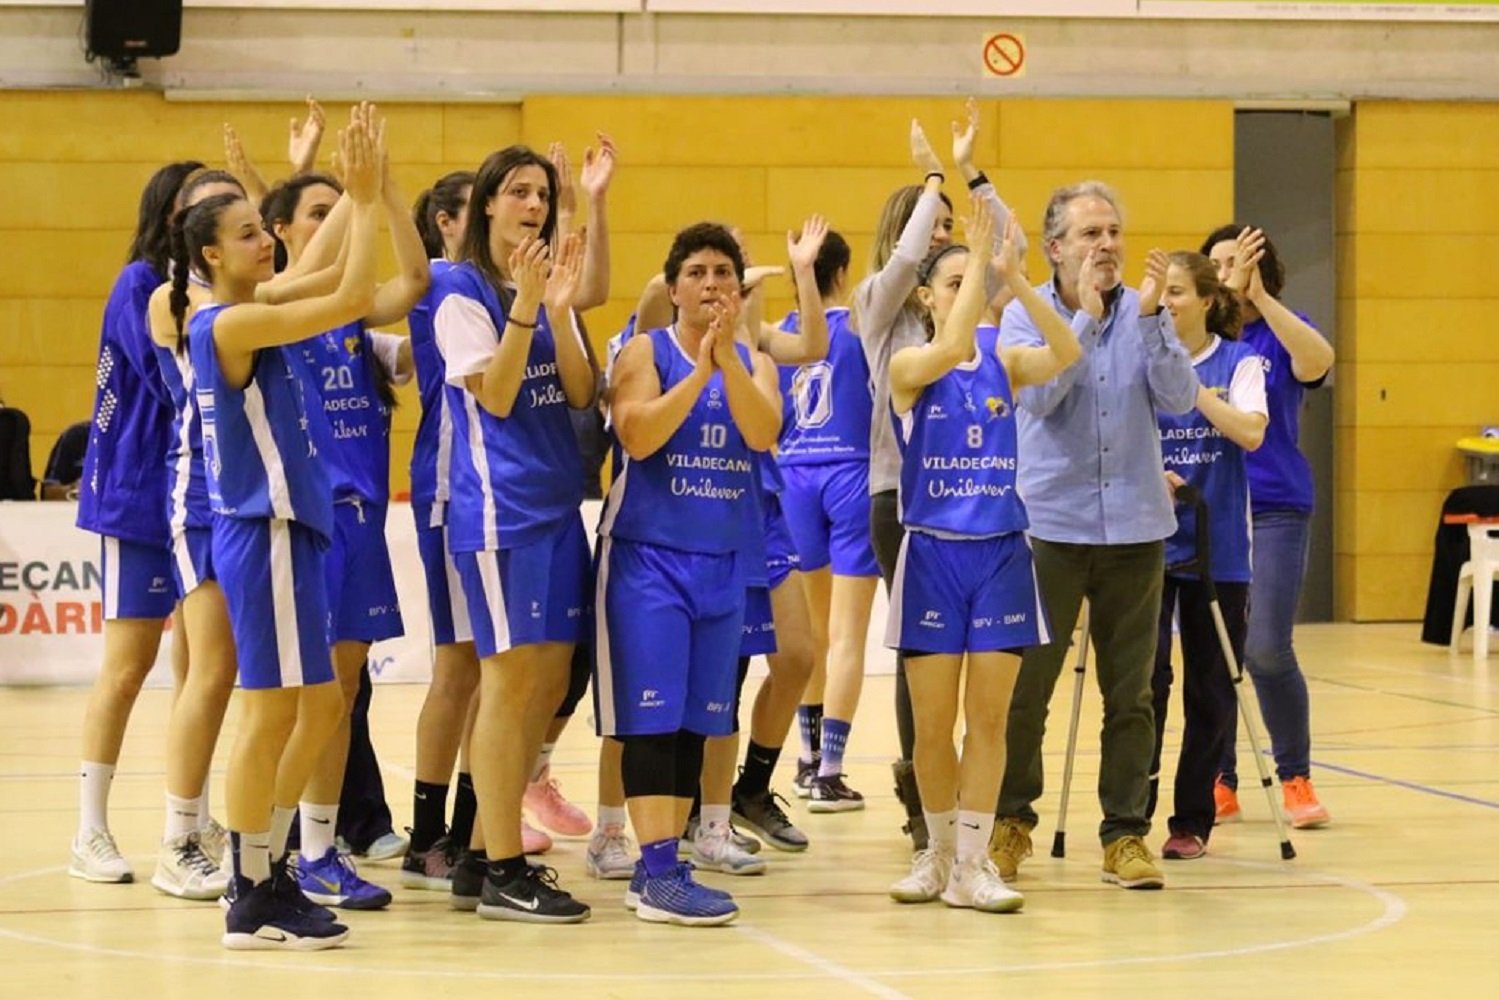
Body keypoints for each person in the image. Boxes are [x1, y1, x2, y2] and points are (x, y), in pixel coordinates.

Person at [178, 109, 384, 949]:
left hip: (290, 529)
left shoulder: (254, 300)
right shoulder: (225, 323)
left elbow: (325, 260)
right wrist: (365, 199)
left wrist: (350, 191)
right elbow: (352, 294)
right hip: (260, 530)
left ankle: (264, 866)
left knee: (322, 702)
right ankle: (250, 887)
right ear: (208, 258)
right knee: (267, 713)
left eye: (265, 227)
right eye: (246, 233)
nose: (265, 241)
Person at [991, 180, 1199, 891]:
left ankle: (1124, 834)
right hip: (1050, 525)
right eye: (1090, 234)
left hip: (1136, 528)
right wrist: (1080, 319)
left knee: (1132, 693)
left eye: (1113, 231)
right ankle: (1010, 822)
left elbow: (1177, 399)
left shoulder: (1146, 315)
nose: (1106, 244)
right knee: (1025, 690)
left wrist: (1147, 321)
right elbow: (1040, 393)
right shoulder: (1026, 316)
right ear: (1055, 249)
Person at [885, 203, 1079, 914]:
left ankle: (972, 864)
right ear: (925, 296)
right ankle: (936, 853)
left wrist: (1018, 281)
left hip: (1000, 556)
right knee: (932, 726)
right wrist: (974, 261)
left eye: (970, 279)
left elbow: (1065, 352)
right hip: (932, 554)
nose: (965, 288)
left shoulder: (1002, 359)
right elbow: (955, 336)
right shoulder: (911, 364)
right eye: (952, 279)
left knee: (989, 723)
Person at [261, 134, 429, 904]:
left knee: (343, 691)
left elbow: (416, 278)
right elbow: (303, 267)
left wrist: (385, 192)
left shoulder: (353, 320)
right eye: (316, 213)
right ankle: (265, 846)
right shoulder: (279, 306)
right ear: (285, 232)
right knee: (306, 696)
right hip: (308, 520)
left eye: (337, 209)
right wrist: (345, 193)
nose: (337, 219)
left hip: (363, 519)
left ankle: (320, 848)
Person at [431, 144, 596, 924]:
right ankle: (501, 867)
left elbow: (578, 389)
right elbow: (495, 400)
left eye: (542, 193)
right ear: (487, 204)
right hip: (502, 512)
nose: (533, 204)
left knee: (549, 679)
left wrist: (557, 307)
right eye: (518, 192)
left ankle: (475, 850)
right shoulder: (459, 291)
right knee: (506, 682)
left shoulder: (538, 285)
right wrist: (529, 304)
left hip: (560, 506)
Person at [599, 222, 781, 926]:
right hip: (648, 556)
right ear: (672, 287)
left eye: (723, 274)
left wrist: (727, 362)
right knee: (648, 718)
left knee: (693, 723)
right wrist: (700, 371)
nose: (711, 284)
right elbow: (637, 433)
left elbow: (763, 432)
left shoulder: (756, 361)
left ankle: (662, 868)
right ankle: (655, 871)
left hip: (723, 560)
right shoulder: (645, 351)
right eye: (698, 272)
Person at [855, 102, 1020, 845]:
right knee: (924, 659)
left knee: (976, 674)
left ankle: (969, 823)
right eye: (935, 228)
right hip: (905, 499)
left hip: (980, 511)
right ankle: (922, 810)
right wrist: (929, 176)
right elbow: (905, 265)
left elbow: (1013, 251)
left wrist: (969, 172)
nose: (948, 242)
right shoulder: (881, 309)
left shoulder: (975, 311)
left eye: (954, 231)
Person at [70, 160, 201, 884]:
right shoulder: (140, 284)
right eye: (194, 203)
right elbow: (170, 376)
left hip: (195, 498)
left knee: (202, 667)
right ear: (167, 213)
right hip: (138, 496)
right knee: (128, 668)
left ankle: (190, 816)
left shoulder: (206, 287)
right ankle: (89, 829)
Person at [1202, 225, 1335, 830]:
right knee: (1216, 650)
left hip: (1277, 505)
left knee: (1266, 648)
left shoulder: (1283, 330)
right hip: (1213, 508)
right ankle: (1220, 776)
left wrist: (1263, 297)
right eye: (1219, 265)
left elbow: (1319, 361)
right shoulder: (1202, 342)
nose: (1231, 271)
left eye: (1241, 261)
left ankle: (1296, 776)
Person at [1147, 251, 1267, 861]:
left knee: (1210, 691)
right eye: (1160, 294)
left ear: (1205, 300)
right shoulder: (1143, 363)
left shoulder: (1239, 362)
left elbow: (1250, 431)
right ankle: (1129, 811)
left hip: (1218, 551)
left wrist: (1192, 392)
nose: (1165, 303)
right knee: (1146, 684)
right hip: (1147, 545)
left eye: (1175, 292)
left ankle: (1191, 819)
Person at [773, 226, 883, 820]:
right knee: (846, 634)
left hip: (793, 476)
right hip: (850, 473)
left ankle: (806, 757)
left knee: (810, 634)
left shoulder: (783, 334)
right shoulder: (860, 325)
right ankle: (832, 770)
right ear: (842, 274)